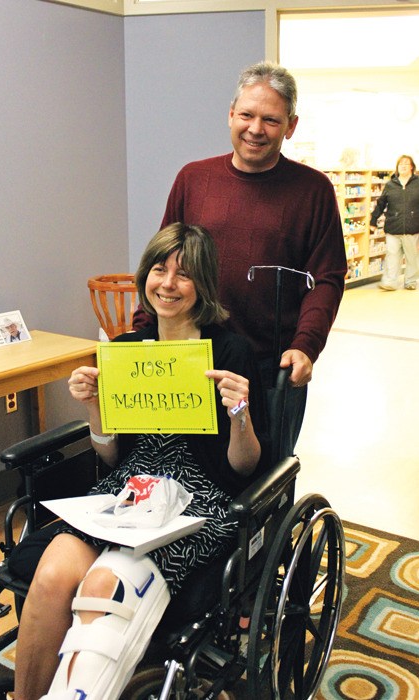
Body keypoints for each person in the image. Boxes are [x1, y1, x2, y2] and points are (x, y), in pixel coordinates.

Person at [8, 223, 270, 700]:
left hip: (199, 502)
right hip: (127, 493)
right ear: (145, 276)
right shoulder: (127, 351)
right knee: (50, 576)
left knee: (107, 585)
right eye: (159, 269)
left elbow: (245, 467)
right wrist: (94, 407)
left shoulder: (229, 353)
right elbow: (110, 457)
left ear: (203, 285)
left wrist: (239, 413)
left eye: (184, 274)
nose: (168, 283)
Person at [133, 61, 348, 453]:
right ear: (231, 114)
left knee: (265, 481)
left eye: (271, 119)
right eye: (247, 114)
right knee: (186, 473)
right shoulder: (194, 179)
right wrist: (143, 329)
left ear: (291, 127)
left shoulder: (313, 190)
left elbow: (328, 277)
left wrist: (306, 345)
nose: (255, 129)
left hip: (270, 369)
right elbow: (163, 260)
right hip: (191, 360)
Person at [370, 154, 419, 291]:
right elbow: (381, 203)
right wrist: (373, 220)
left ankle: (410, 281)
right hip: (393, 226)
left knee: (412, 257)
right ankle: (390, 282)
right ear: (397, 167)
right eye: (400, 164)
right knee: (392, 256)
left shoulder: (418, 183)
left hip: (413, 227)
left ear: (412, 167)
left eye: (406, 163)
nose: (403, 166)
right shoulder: (390, 185)